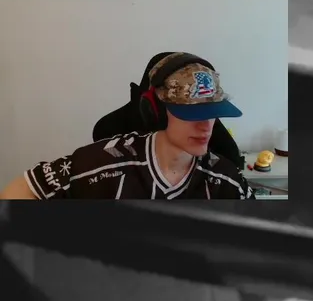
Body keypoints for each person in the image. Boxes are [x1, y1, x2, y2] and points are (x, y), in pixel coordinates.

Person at [0, 52, 255, 200]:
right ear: (157, 111)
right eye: (192, 113)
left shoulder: (227, 181)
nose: (206, 126)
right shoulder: (102, 165)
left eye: (212, 113)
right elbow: (21, 190)